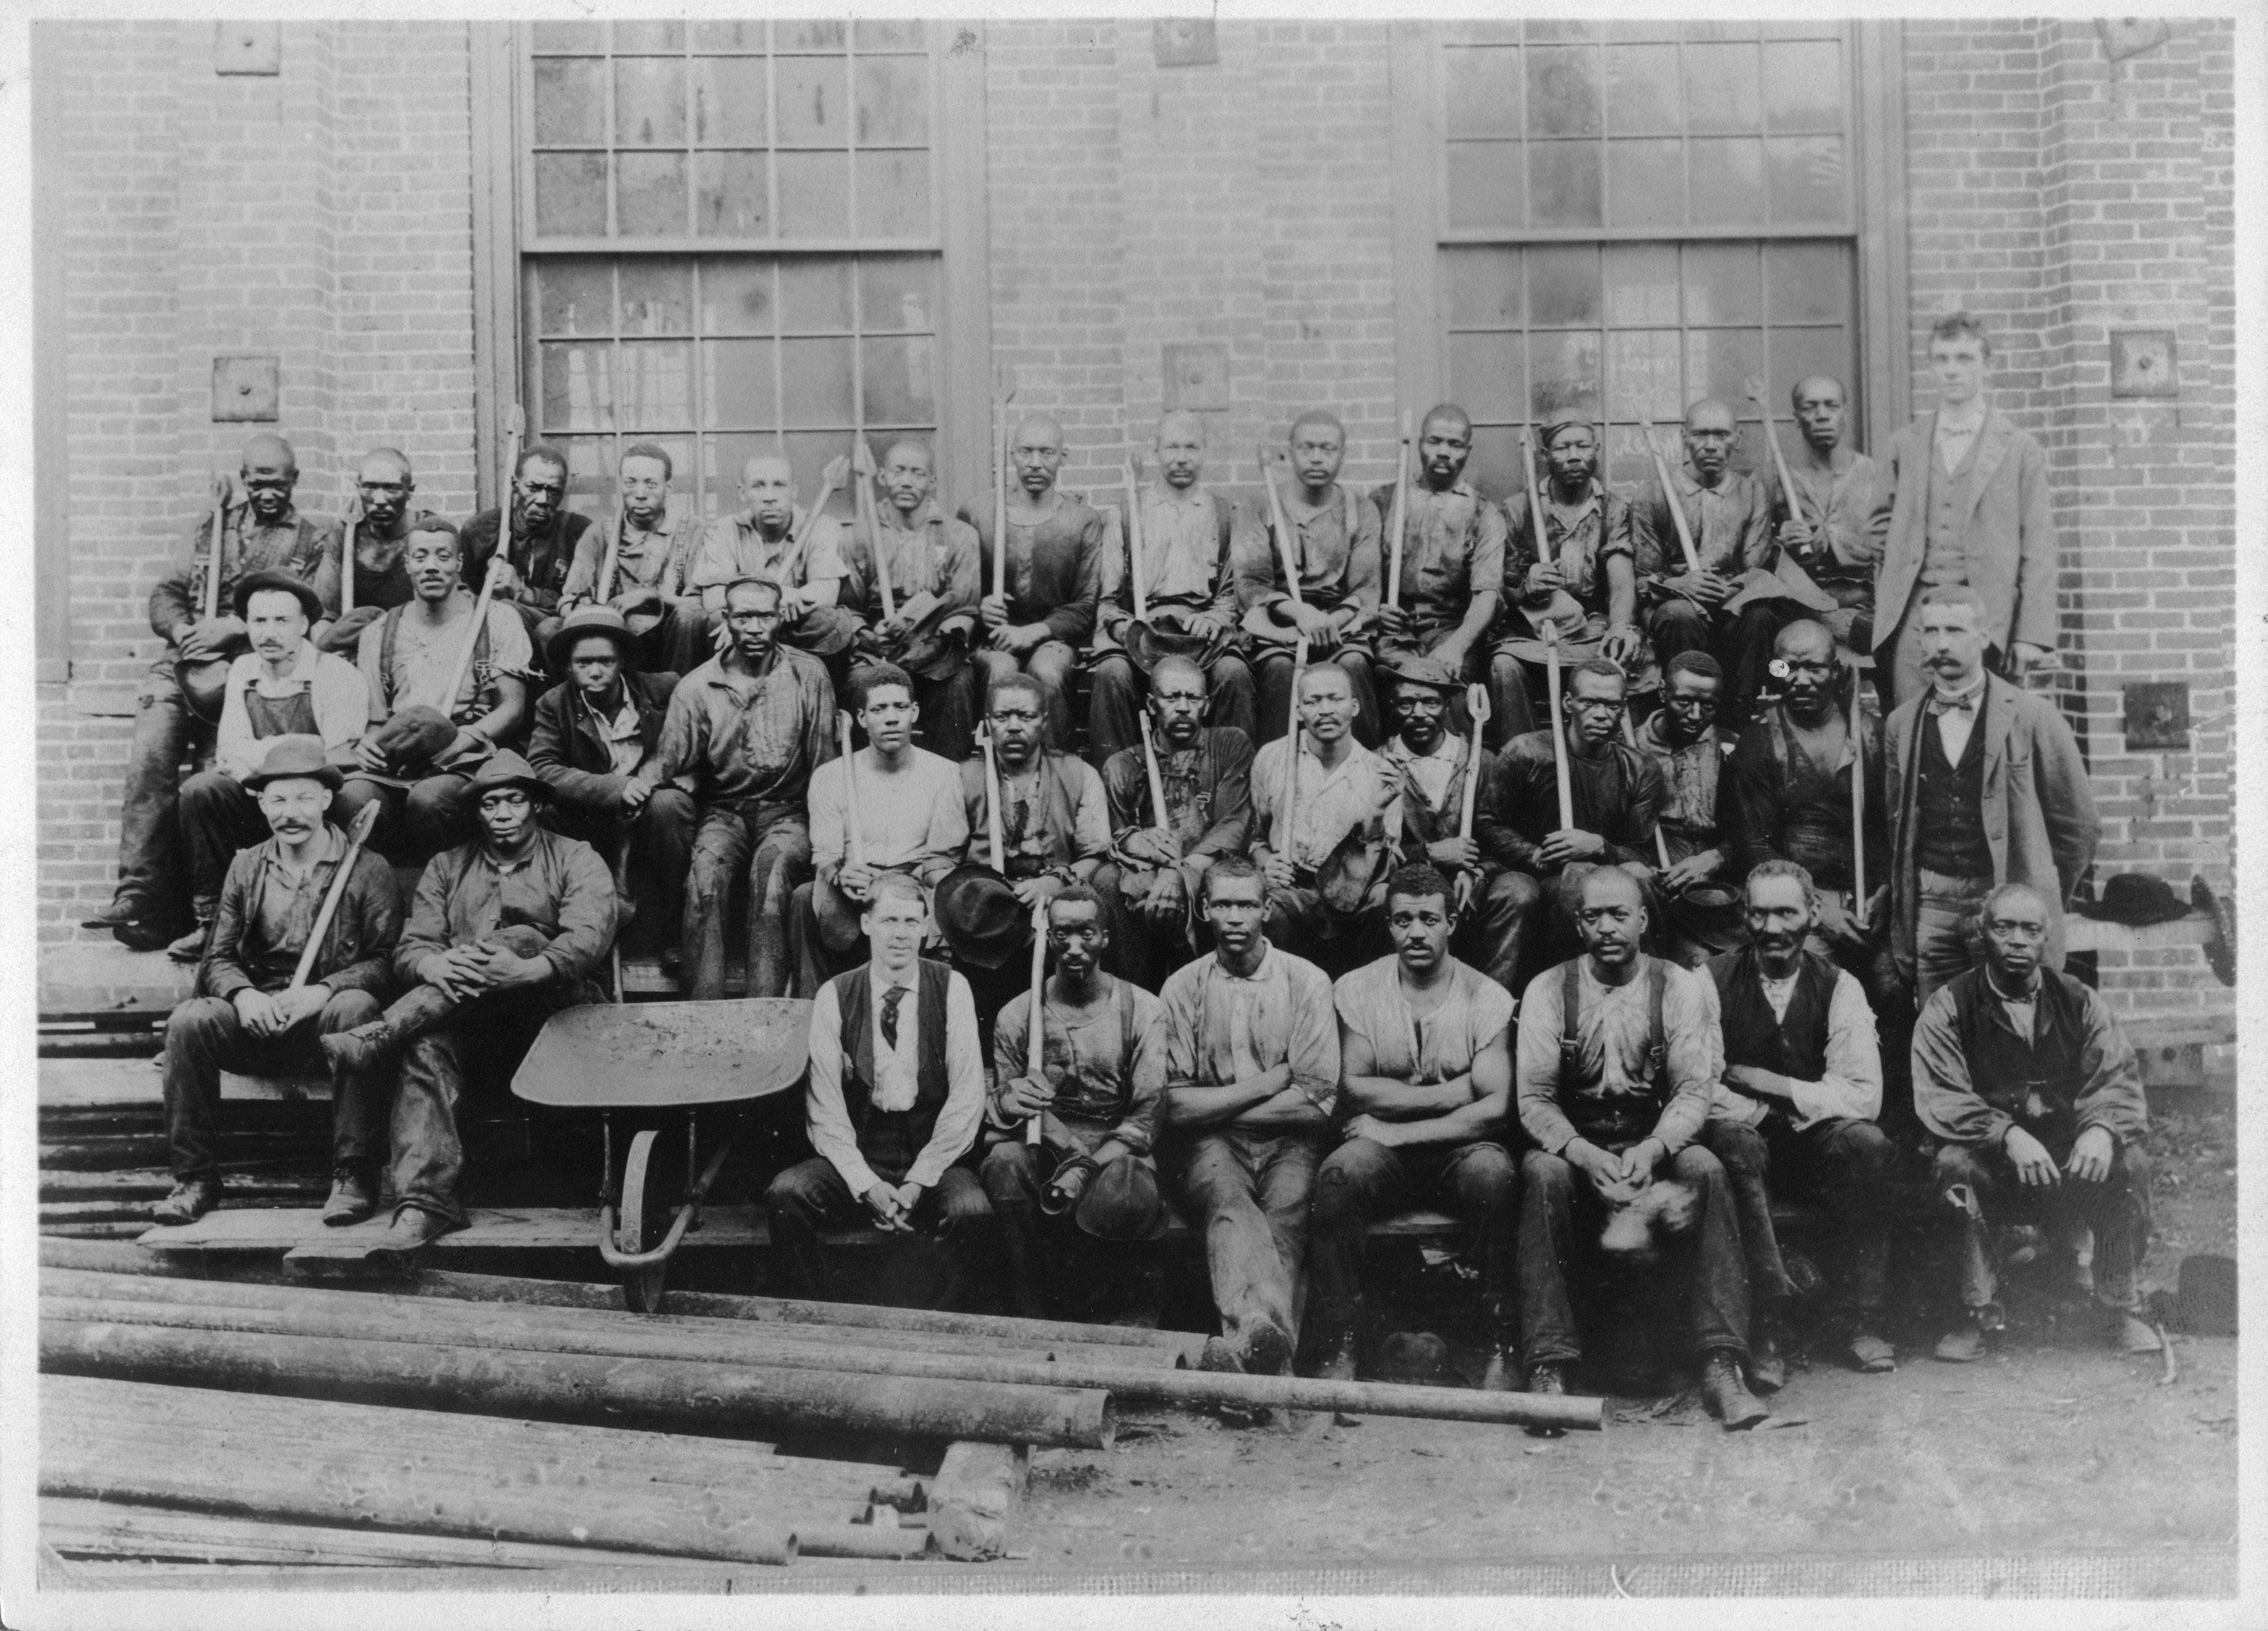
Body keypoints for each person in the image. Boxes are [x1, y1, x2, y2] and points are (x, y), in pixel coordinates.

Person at [327, 751, 617, 1262]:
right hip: (468, 1018)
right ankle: (424, 1204)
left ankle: (382, 1032)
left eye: (514, 800)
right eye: (490, 803)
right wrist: (433, 967)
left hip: (554, 1015)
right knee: (427, 1046)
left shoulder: (576, 856)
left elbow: (589, 935)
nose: (503, 812)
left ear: (534, 806)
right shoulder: (447, 866)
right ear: (477, 812)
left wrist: (529, 967)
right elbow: (412, 948)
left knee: (524, 935)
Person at [1514, 867, 1766, 1429]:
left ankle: (1723, 1362)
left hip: (1652, 1136)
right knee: (1541, 1174)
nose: (1606, 927)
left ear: (1645, 920)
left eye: (1619, 914)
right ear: (1578, 925)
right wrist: (1584, 1153)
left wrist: (1652, 1149)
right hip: (1577, 1145)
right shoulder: (1549, 989)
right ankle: (1549, 1366)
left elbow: (1692, 1092)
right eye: (1592, 916)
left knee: (1705, 1167)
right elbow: (1533, 1099)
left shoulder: (1676, 985)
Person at [89, 433, 336, 950]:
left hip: (246, 673)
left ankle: (209, 919)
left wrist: (237, 627)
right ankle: (140, 893)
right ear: (244, 480)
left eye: (277, 482)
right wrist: (184, 631)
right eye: (257, 481)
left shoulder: (312, 540)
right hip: (182, 669)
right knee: (149, 762)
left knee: (210, 785)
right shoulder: (212, 527)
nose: (266, 491)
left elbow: (314, 615)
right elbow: (167, 593)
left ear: (294, 481)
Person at [152, 736, 401, 1228]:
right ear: (261, 803)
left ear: (327, 800)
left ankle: (354, 1175)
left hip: (325, 1027)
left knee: (354, 1008)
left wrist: (321, 991)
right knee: (190, 1019)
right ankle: (195, 1179)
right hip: (260, 1020)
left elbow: (388, 963)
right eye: (278, 799)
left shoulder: (368, 869)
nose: (291, 812)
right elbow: (217, 956)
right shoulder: (247, 866)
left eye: (304, 798)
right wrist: (243, 995)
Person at [1914, 882, 2159, 1363]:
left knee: (2131, 1160)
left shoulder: (2080, 999)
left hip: (2068, 1166)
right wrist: (2006, 1132)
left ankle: (2117, 1305)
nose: (2018, 940)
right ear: (1983, 932)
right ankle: (1978, 1312)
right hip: (1995, 1168)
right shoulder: (1949, 1006)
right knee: (1952, 1165)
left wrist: (2100, 1128)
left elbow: (2119, 1078)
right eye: (2004, 926)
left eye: (2031, 929)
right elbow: (1940, 1096)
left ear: (2048, 937)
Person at [1310, 863, 1519, 1389]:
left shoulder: (1486, 996)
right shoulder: (1358, 989)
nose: (1416, 932)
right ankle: (1342, 1340)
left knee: (1495, 1175)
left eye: (1429, 918)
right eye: (1403, 920)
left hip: (1458, 1147)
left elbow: (1495, 1107)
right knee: (1338, 1174)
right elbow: (1354, 1086)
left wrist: (1398, 1126)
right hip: (1384, 1150)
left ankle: (1502, 1341)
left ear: (1452, 922)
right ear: (1388, 925)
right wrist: (1456, 1092)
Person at [1698, 861, 1897, 1383]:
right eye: (1759, 913)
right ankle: (1768, 1325)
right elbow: (1701, 1086)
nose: (1772, 928)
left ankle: (1859, 1318)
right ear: (1744, 916)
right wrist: (1769, 1113)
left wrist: (1771, 1084)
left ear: (1812, 913)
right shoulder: (1708, 981)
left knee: (1868, 1144)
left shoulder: (1841, 986)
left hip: (1816, 1145)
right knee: (1738, 1145)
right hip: (1744, 1136)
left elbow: (1863, 1096)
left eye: (1786, 912)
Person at [764, 872, 991, 1304]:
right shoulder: (836, 994)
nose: (901, 934)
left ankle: (939, 1329)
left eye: (911, 921)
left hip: (932, 1149)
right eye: (889, 920)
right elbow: (824, 1109)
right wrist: (867, 1184)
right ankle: (820, 1318)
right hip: (861, 1147)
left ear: (927, 927)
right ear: (867, 924)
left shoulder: (952, 988)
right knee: (786, 1195)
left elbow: (967, 1098)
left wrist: (919, 1181)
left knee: (972, 1213)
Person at [1158, 857, 1341, 1376]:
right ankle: (1267, 1351)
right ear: (1204, 909)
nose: (1235, 917)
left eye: (1246, 904)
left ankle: (1250, 1347)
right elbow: (1174, 1104)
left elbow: (1315, 1101)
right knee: (1227, 1200)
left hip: (1291, 1139)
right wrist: (1268, 1081)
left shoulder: (1306, 982)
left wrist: (1217, 1101)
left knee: (1287, 1211)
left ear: (1266, 908)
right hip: (1211, 1144)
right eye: (1223, 904)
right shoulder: (1183, 987)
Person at [1724, 618, 1911, 1124]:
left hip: (1867, 904)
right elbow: (1753, 848)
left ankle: (1891, 1127)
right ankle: (1815, 1120)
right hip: (1798, 912)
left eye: (1813, 667)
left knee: (1896, 989)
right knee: (1811, 990)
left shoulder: (1871, 737)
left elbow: (1891, 830)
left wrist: (1886, 892)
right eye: (1788, 666)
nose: (1800, 678)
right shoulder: (1759, 746)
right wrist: (1816, 911)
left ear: (1836, 671)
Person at [1885, 586, 2099, 1007]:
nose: (1941, 643)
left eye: (1955, 629)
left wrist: (2039, 892)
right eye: (1930, 632)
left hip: (2007, 904)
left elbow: (2080, 828)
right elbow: (1895, 824)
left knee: (2017, 1032)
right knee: (1942, 1029)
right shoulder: (1901, 723)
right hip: (1933, 909)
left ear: (1984, 636)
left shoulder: (2032, 716)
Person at [983, 886, 1168, 1323]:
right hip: (1045, 1140)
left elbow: (1147, 1113)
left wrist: (1088, 1164)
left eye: (1086, 933)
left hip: (1116, 1145)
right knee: (1003, 1162)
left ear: (1105, 937)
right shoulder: (1018, 1014)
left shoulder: (1143, 1010)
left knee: (1125, 1187)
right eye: (1062, 934)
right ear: (1048, 938)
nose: (1073, 947)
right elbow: (1010, 1096)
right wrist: (1060, 1142)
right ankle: (1032, 1316)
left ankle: (1120, 1327)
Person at [171, 572, 371, 962]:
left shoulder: (335, 674)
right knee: (202, 790)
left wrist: (263, 752)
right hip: (259, 797)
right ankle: (210, 923)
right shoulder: (244, 671)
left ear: (304, 625)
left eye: (282, 621)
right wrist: (291, 751)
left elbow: (340, 753)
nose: (269, 633)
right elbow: (230, 751)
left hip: (318, 803)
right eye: (259, 621)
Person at [654, 576, 836, 1000]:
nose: (755, 627)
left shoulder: (808, 674)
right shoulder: (697, 686)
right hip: (725, 811)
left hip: (789, 810)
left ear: (780, 618)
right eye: (744, 616)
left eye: (765, 616)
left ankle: (764, 1015)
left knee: (770, 884)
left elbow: (824, 767)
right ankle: (705, 1021)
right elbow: (671, 764)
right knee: (704, 883)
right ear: (727, 620)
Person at [1868, 313, 2059, 707]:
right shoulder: (1905, 443)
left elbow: (2039, 546)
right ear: (1930, 367)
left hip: (1985, 615)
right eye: (1942, 359)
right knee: (1911, 726)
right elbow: (1877, 530)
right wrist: (1891, 593)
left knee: (1981, 735)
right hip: (1914, 616)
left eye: (1964, 358)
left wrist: (2030, 635)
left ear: (1987, 365)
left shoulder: (2020, 448)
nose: (1951, 370)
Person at [336, 518, 536, 861]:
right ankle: (383, 886)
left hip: (470, 755)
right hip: (401, 758)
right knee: (352, 796)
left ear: (459, 563)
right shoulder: (379, 633)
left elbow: (512, 708)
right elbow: (375, 721)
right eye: (421, 557)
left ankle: (454, 884)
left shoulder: (496, 619)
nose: (432, 566)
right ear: (408, 564)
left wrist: (465, 739)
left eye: (443, 556)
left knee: (431, 800)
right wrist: (368, 746)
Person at [525, 605, 695, 981]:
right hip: (592, 816)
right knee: (547, 816)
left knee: (671, 806)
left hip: (653, 815)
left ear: (623, 663)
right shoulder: (554, 705)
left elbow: (704, 734)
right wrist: (613, 789)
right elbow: (542, 768)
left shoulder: (665, 689)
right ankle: (570, 935)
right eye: (584, 663)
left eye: (606, 660)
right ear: (569, 666)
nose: (596, 671)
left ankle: (674, 932)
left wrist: (693, 773)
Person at [1086, 411, 1258, 761]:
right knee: (1111, 674)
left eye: (1191, 447)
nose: (1181, 457)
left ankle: (1229, 782)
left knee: (1234, 673)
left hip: (1202, 635)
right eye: (1172, 447)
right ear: (1156, 451)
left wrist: (1214, 619)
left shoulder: (1224, 514)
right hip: (1142, 631)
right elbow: (1107, 602)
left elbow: (1230, 597)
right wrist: (1127, 628)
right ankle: (1120, 782)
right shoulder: (1126, 514)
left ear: (1206, 451)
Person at [790, 663, 970, 992]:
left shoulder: (945, 775)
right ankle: (815, 1007)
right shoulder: (831, 776)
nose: (891, 718)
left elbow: (943, 861)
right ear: (861, 719)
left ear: (914, 712)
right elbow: (826, 856)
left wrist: (895, 883)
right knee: (805, 897)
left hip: (915, 889)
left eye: (900, 707)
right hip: (853, 892)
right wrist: (840, 873)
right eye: (878, 709)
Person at [942, 673, 1112, 1001]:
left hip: (1055, 899)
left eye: (1027, 716)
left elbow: (1096, 854)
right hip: (985, 906)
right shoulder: (964, 777)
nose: (1014, 726)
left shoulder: (1079, 774)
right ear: (988, 722)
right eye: (1002, 717)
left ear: (1044, 721)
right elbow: (939, 860)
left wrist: (1055, 883)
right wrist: (970, 894)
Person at [1094, 655, 1254, 990]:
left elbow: (1233, 825)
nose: (1183, 707)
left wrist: (1178, 875)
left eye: (1193, 698)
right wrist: (1133, 841)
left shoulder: (1229, 744)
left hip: (1207, 865)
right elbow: (1113, 835)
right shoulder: (1123, 764)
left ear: (1206, 704)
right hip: (1147, 876)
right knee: (1109, 880)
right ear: (1152, 705)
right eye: (1171, 698)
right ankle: (1136, 994)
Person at [1375, 652, 1533, 993]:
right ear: (1392, 705)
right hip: (1409, 892)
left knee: (1519, 889)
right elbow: (1370, 851)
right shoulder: (1376, 765)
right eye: (1406, 704)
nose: (1419, 714)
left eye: (1430, 703)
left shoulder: (1482, 761)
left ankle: (1492, 1004)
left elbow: (1503, 840)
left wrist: (1478, 871)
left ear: (1448, 705)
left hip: (1473, 889)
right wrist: (1429, 854)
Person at [1490, 658, 1666, 959]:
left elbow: (1639, 851)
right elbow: (1489, 823)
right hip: (1531, 872)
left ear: (1623, 709)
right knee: (1517, 893)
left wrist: (1599, 847)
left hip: (1607, 876)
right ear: (1568, 703)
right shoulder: (1525, 752)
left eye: (1611, 706)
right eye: (1589, 703)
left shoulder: (1641, 768)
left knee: (1636, 875)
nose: (1600, 714)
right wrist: (1535, 855)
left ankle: (1646, 980)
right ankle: (1500, 1001)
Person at [1628, 399, 1783, 735]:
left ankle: (1735, 730)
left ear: (1737, 439)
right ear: (1684, 437)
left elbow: (1756, 569)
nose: (1711, 445)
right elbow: (1644, 579)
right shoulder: (1653, 495)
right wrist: (1682, 584)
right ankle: (1685, 725)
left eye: (1721, 435)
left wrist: (1733, 589)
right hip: (1675, 611)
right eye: (1700, 435)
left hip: (1733, 609)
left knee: (1761, 619)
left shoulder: (1753, 493)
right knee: (1679, 614)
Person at [1494, 418, 1642, 745]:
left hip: (1593, 629)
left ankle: (1607, 764)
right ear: (1546, 455)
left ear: (1597, 451)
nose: (1574, 456)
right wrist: (1526, 586)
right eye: (1562, 448)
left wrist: (1619, 627)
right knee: (1504, 666)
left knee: (1632, 665)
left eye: (1583, 446)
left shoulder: (1615, 510)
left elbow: (1621, 584)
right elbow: (1503, 589)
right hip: (1534, 631)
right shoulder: (1518, 509)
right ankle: (1525, 761)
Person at [1240, 411, 1384, 746]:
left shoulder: (1361, 510)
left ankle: (1366, 773)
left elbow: (1366, 589)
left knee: (1354, 664)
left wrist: (1327, 622)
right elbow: (1250, 584)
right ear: (1290, 452)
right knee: (1278, 669)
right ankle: (1277, 776)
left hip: (1341, 626)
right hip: (1278, 625)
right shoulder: (1260, 505)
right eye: (1307, 448)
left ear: (1343, 454)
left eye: (1328, 449)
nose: (1317, 457)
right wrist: (1300, 613)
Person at [837, 438, 985, 763]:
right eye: (898, 471)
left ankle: (949, 780)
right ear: (882, 477)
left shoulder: (959, 536)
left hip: (936, 645)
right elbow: (848, 608)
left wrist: (938, 645)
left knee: (958, 681)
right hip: (879, 649)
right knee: (862, 683)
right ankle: (869, 786)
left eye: (917, 473)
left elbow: (964, 607)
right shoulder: (859, 536)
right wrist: (869, 636)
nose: (906, 481)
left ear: (932, 482)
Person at [969, 414, 1105, 751]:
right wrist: (980, 607)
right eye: (1026, 452)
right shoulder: (979, 513)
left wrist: (1032, 632)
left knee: (1047, 670)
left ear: (1064, 456)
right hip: (994, 640)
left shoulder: (1083, 521)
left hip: (1053, 640)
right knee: (1001, 673)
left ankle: (1059, 770)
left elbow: (1085, 606)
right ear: (1012, 454)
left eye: (1047, 453)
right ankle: (999, 773)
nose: (1035, 464)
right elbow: (961, 592)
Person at [1249, 662, 1393, 973]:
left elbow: (1381, 860)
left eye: (1336, 699)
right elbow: (1257, 839)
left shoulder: (1378, 772)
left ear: (1354, 706)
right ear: (1299, 709)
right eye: (1313, 701)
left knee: (1385, 902)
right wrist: (1266, 862)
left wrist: (1377, 814)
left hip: (1354, 891)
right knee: (1269, 908)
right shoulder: (1272, 758)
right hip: (1293, 887)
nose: (1325, 710)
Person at [1370, 405, 1505, 711]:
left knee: (1448, 695)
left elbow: (1487, 595)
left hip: (1451, 631)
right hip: (1393, 631)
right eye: (1435, 442)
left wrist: (1456, 647)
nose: (1444, 452)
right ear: (1420, 445)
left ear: (1467, 451)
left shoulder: (1485, 513)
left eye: (1455, 445)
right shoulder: (1383, 501)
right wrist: (1375, 610)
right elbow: (1362, 577)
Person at [686, 451, 862, 671]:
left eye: (779, 485)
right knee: (716, 622)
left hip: (795, 626)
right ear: (743, 492)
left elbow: (827, 592)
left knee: (829, 620)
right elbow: (713, 599)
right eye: (758, 486)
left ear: (794, 489)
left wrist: (790, 598)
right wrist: (775, 597)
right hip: (746, 627)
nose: (769, 496)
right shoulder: (724, 530)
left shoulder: (821, 525)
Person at [558, 442, 711, 678]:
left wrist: (653, 596)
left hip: (672, 641)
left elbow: (700, 604)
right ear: (621, 485)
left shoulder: (692, 530)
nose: (640, 494)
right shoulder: (599, 533)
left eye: (651, 484)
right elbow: (567, 602)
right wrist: (584, 606)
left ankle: (677, 703)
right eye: (631, 483)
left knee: (690, 617)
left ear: (668, 488)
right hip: (616, 641)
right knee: (552, 629)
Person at [1630, 652, 1740, 965]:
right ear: (1663, 692)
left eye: (1708, 706)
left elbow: (1750, 830)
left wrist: (1714, 858)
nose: (1695, 715)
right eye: (1684, 702)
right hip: (1659, 882)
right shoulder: (1630, 747)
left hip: (1716, 880)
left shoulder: (1730, 747)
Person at [1763, 377, 1878, 658]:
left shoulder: (1875, 475)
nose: (1822, 415)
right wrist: (1780, 545)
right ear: (1797, 418)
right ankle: (1777, 681)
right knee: (1778, 668)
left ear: (1845, 414)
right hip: (1798, 609)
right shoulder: (1771, 477)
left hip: (1865, 609)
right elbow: (1749, 558)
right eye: (1810, 407)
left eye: (1832, 406)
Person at [461, 444, 595, 657]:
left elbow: (582, 603)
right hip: (494, 638)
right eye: (533, 488)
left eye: (553, 491)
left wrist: (523, 592)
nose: (543, 500)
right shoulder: (480, 532)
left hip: (555, 637)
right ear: (515, 485)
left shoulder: (578, 532)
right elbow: (463, 596)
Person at [312, 448, 439, 657]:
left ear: (410, 491)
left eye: (392, 489)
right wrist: (327, 658)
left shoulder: (430, 532)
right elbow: (324, 616)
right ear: (358, 488)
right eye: (370, 488)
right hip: (356, 654)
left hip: (414, 654)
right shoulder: (345, 535)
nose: (380, 500)